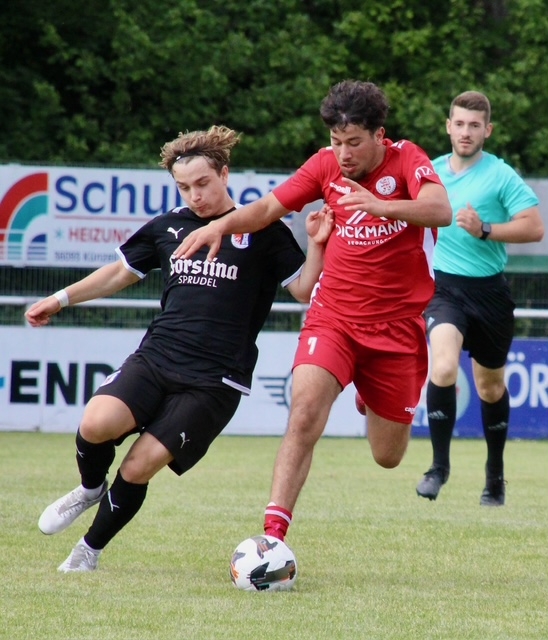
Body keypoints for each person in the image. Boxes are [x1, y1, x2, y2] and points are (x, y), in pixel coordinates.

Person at [25, 124, 333, 572]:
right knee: (95, 423)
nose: (195, 195)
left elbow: (304, 290)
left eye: (203, 183)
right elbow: (120, 272)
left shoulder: (263, 229)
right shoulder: (168, 226)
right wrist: (60, 299)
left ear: (224, 174)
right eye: (184, 187)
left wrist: (318, 244)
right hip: (157, 357)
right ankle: (90, 488)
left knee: (138, 466)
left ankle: (87, 551)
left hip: (214, 380)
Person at [174, 80, 452, 542]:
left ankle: (368, 395)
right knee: (303, 414)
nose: (343, 153)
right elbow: (268, 207)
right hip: (333, 318)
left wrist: (381, 206)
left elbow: (440, 210)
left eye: (354, 142)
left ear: (379, 135)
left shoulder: (407, 159)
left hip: (396, 329)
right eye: (336, 141)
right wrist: (219, 226)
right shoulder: (324, 165)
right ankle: (272, 536)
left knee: (388, 456)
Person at [415, 91, 544, 506]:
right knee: (444, 365)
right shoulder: (430, 173)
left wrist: (485, 229)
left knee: (490, 388)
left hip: (489, 294)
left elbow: (534, 227)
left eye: (474, 125)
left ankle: (495, 476)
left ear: (487, 130)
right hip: (444, 290)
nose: (466, 132)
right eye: (459, 124)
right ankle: (438, 468)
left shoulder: (501, 175)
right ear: (448, 126)